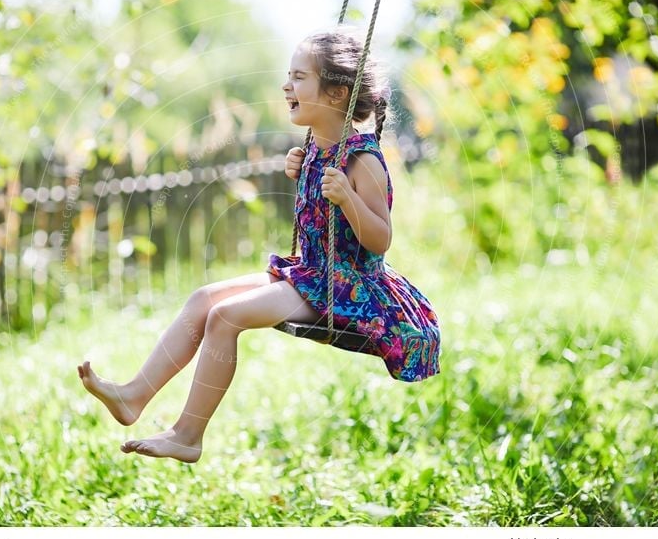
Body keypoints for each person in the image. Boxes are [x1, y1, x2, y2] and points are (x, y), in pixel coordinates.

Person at [77, 29, 441, 463]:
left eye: (300, 77)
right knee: (203, 300)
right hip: (310, 273)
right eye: (289, 75)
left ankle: (188, 433)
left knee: (226, 316)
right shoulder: (316, 151)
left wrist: (348, 198)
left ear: (337, 93)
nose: (287, 85)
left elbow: (380, 239)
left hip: (347, 289)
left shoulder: (362, 161)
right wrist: (301, 170)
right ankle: (133, 396)